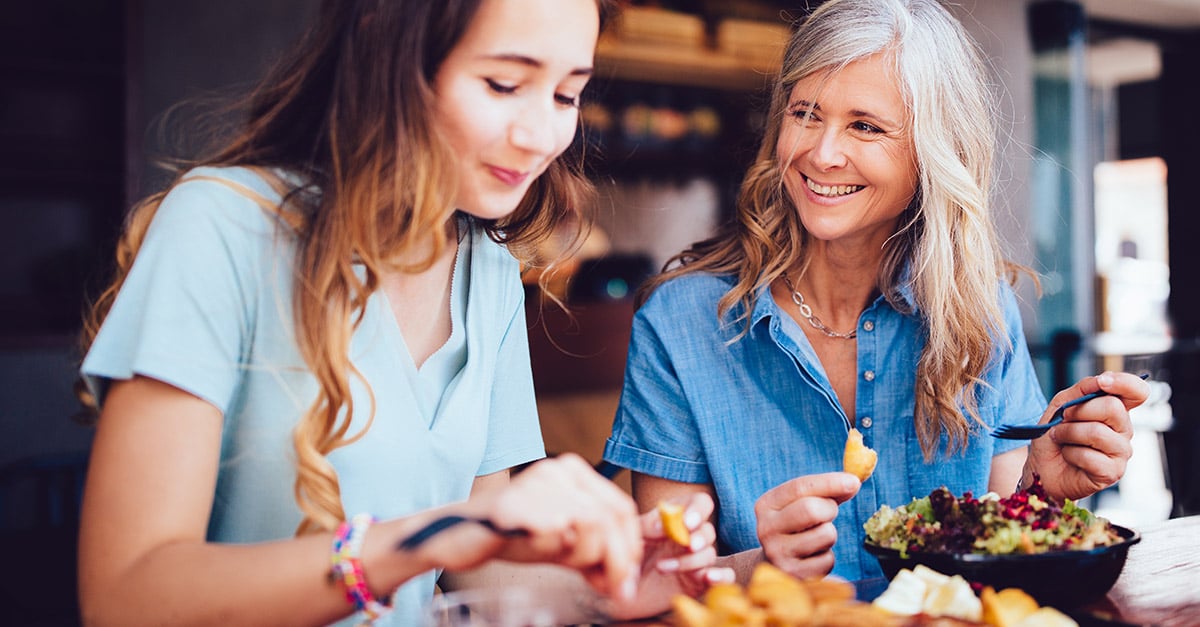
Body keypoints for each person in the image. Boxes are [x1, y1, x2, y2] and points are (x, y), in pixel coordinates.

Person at [76, 1, 732, 625]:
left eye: (566, 95)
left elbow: (485, 569)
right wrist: (426, 539)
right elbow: (125, 595)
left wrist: (612, 584)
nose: (541, 136)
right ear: (391, 60)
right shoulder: (222, 227)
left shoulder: (491, 272)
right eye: (504, 84)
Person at [602, 0, 1150, 586]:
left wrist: (1040, 489)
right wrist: (762, 566)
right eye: (806, 114)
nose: (822, 153)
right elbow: (657, 585)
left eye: (865, 126)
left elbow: (1004, 562)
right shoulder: (681, 325)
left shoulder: (980, 312)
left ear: (933, 152)